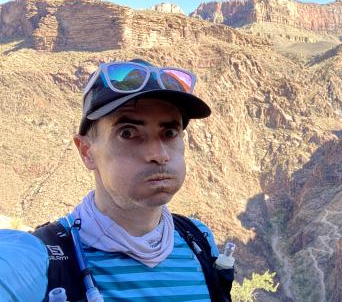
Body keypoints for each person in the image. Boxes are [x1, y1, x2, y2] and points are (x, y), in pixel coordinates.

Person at [0, 59, 233, 301]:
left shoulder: (198, 238)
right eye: (128, 132)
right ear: (86, 151)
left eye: (169, 133)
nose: (160, 154)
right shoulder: (42, 258)